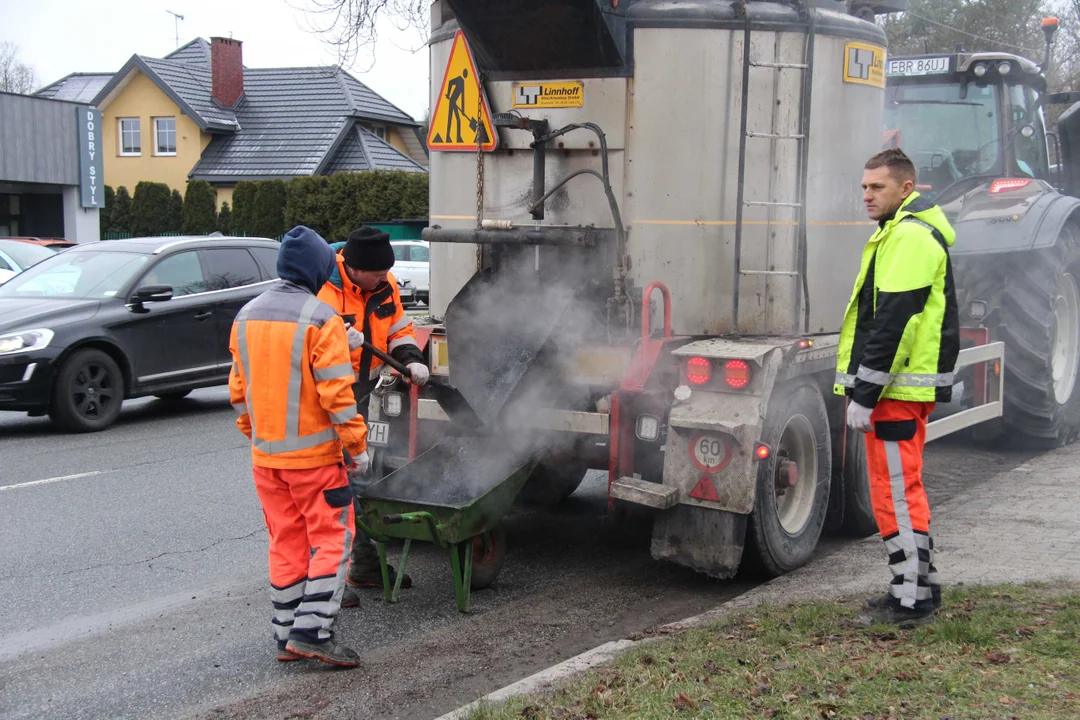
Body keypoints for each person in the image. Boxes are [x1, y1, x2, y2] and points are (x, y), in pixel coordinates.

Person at [229, 225, 370, 667]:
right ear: (317, 269)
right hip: (315, 462)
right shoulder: (320, 317)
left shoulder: (247, 315)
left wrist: (259, 436)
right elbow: (336, 394)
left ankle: (286, 634)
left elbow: (239, 390)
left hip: (267, 460)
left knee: (285, 541)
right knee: (333, 539)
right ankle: (313, 633)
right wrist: (357, 447)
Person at [835, 148, 959, 628]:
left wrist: (865, 392)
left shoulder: (907, 236)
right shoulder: (903, 232)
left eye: (877, 187)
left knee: (895, 494)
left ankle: (910, 600)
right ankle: (919, 585)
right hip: (902, 390)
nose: (867, 195)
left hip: (895, 394)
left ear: (905, 188)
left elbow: (894, 322)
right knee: (901, 490)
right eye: (864, 186)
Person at [317, 225, 430, 604]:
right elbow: (304, 343)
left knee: (364, 479)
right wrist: (335, 334)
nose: (386, 278)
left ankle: (362, 566)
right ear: (353, 267)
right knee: (332, 488)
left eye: (387, 273)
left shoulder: (384, 286)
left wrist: (411, 359)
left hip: (363, 392)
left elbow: (399, 328)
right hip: (325, 398)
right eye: (378, 273)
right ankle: (327, 582)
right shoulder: (322, 287)